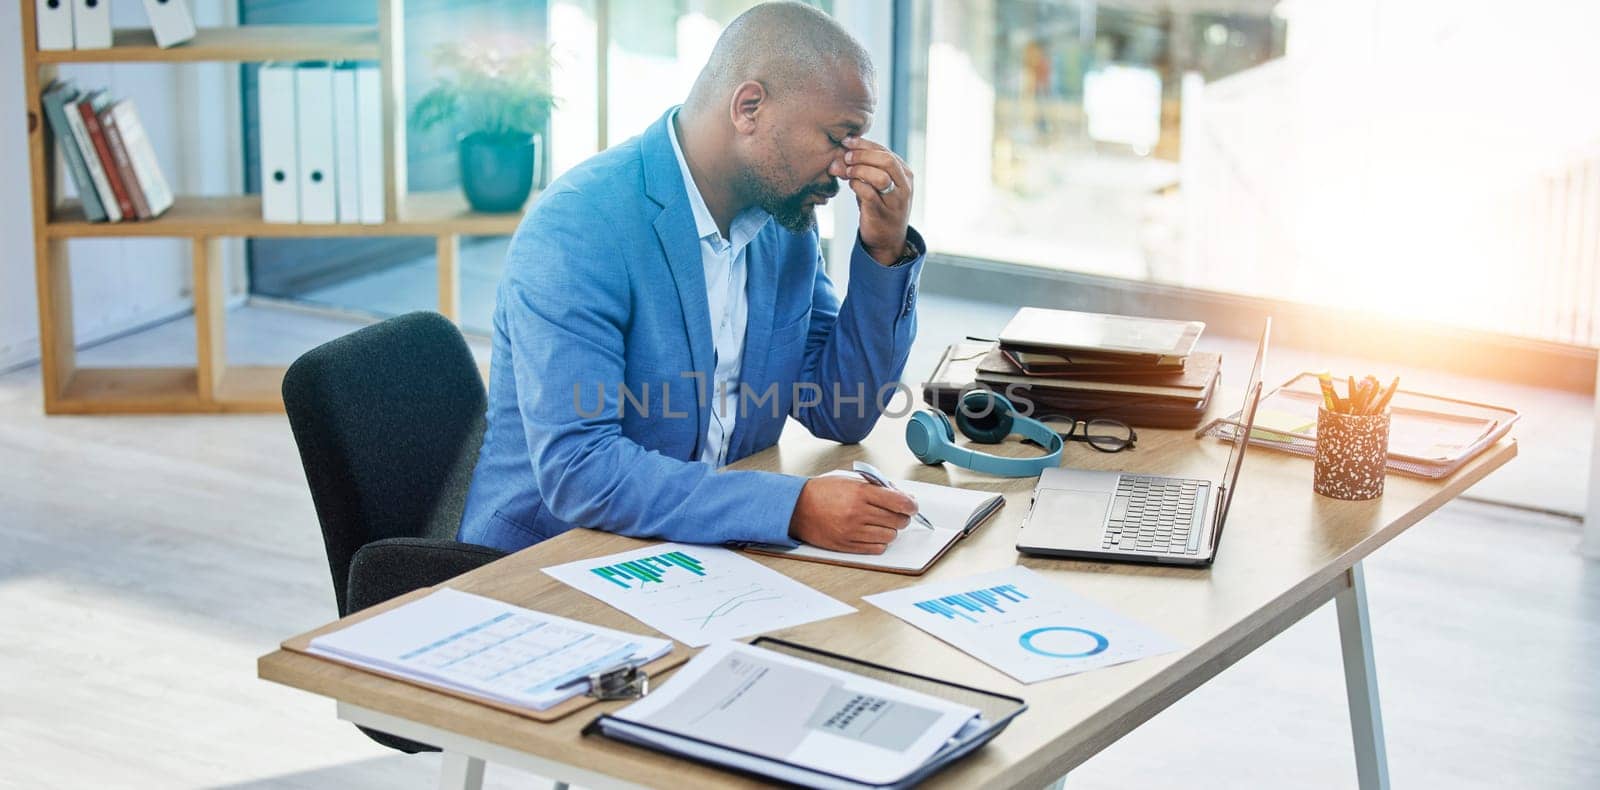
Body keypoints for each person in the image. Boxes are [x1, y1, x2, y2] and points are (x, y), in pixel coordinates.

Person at [458, 1, 925, 557]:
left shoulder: (784, 226)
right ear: (748, 107)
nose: (847, 167)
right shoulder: (581, 225)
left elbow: (840, 410)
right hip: (549, 564)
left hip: (697, 553)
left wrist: (884, 249)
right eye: (836, 138)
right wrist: (790, 508)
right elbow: (579, 469)